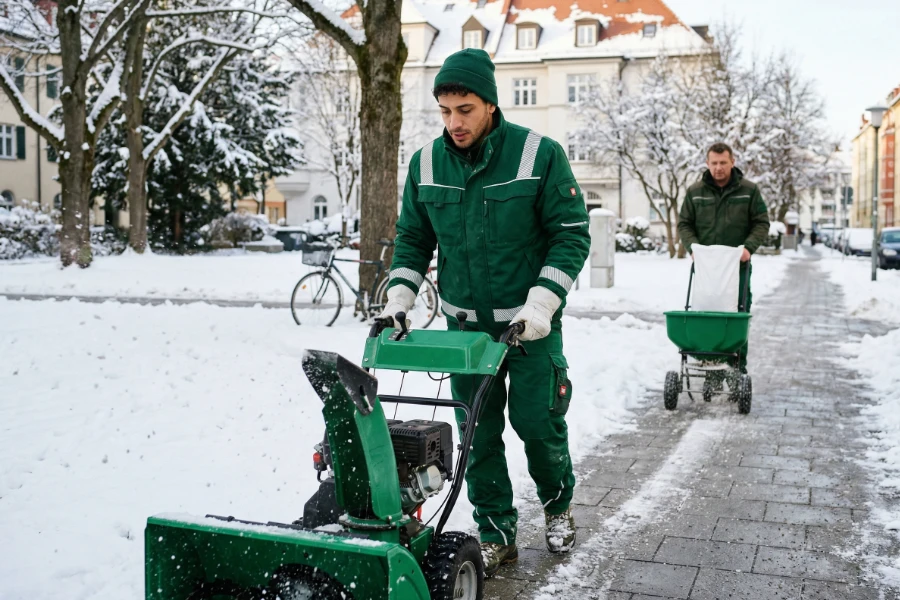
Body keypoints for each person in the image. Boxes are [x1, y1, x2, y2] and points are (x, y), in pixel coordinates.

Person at [380, 48, 590, 576]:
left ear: (491, 105)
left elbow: (571, 235)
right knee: (477, 435)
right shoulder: (426, 163)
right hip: (466, 333)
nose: (454, 122)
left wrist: (541, 304)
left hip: (529, 327)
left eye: (465, 110)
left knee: (538, 424)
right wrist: (399, 301)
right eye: (445, 111)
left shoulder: (538, 155)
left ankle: (558, 506)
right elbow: (413, 240)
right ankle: (497, 533)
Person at [678, 142, 769, 373]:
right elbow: (684, 224)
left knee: (738, 313)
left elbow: (761, 222)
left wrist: (748, 248)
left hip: (737, 265)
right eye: (714, 163)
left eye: (723, 163)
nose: (718, 168)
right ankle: (709, 360)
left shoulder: (749, 191)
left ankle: (737, 366)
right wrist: (692, 247)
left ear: (732, 162)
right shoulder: (695, 192)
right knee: (706, 311)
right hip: (706, 267)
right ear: (707, 163)